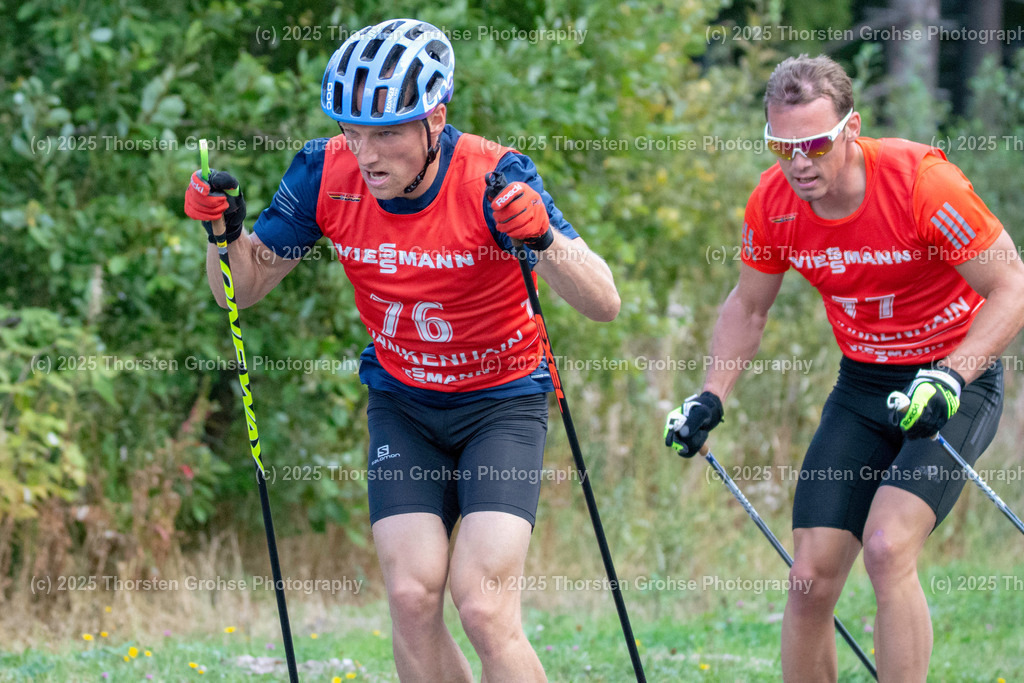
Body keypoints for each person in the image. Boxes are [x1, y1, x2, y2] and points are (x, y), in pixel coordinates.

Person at [184, 18, 619, 682]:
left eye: (387, 131)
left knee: (482, 605)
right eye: (353, 131)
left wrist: (543, 239)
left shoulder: (494, 174)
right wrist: (224, 233)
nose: (367, 153)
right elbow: (239, 290)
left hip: (501, 402)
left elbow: (603, 300)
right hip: (404, 404)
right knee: (413, 597)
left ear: (435, 119)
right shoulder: (323, 173)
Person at [664, 54, 1024, 682]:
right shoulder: (775, 203)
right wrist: (709, 397)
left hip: (953, 382)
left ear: (851, 128)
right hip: (864, 386)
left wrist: (952, 375)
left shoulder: (921, 184)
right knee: (809, 578)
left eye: (815, 142)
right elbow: (748, 307)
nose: (799, 161)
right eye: (782, 145)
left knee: (887, 548)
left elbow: (1012, 286)